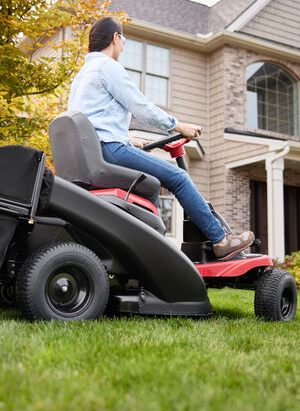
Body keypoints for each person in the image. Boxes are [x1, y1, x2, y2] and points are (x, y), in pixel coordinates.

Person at [68, 16, 254, 261]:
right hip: (109, 149)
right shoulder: (108, 67)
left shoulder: (81, 75)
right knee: (179, 178)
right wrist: (178, 125)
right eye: (123, 39)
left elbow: (91, 122)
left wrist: (130, 140)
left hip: (95, 152)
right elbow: (141, 107)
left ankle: (150, 251)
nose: (123, 45)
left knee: (149, 187)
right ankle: (220, 240)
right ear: (116, 38)